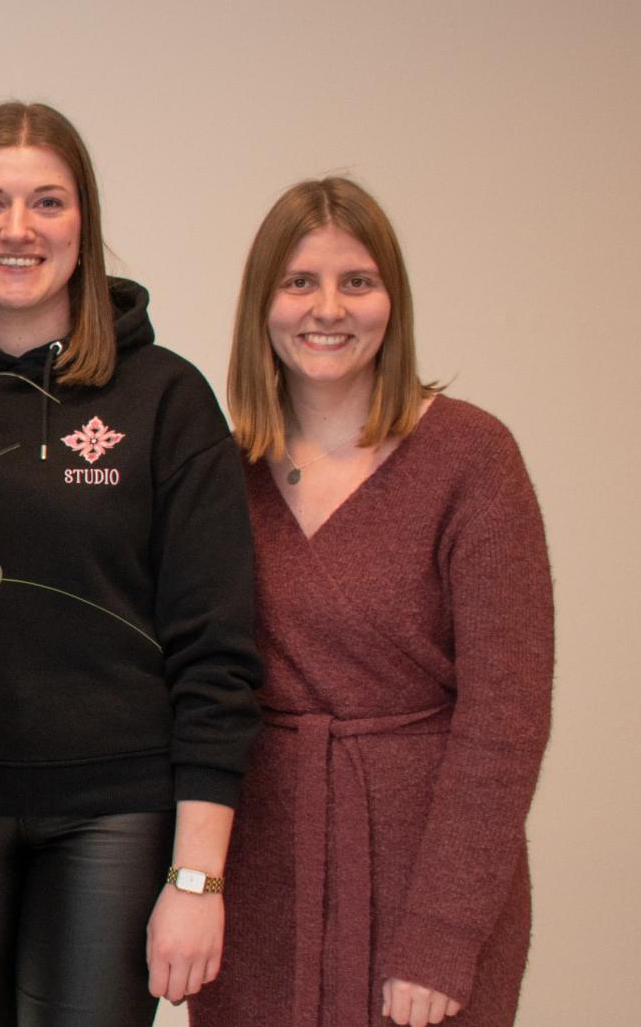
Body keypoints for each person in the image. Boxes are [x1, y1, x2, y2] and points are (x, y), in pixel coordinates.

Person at [0, 101, 263, 1026]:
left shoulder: (164, 397)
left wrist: (198, 877)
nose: (18, 229)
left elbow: (220, 649)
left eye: (47, 202)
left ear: (84, 225)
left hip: (115, 811)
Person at [189, 178, 552, 1027]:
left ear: (394, 299)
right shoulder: (221, 471)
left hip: (424, 866)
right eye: (299, 282)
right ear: (261, 306)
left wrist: (441, 934)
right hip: (262, 868)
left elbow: (507, 718)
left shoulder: (472, 458)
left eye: (358, 281)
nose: (329, 308)